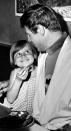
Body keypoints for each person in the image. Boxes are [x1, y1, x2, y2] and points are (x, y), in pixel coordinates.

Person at [19, 3, 71, 131]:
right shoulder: (45, 54)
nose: (28, 40)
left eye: (29, 34)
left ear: (41, 30)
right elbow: (48, 83)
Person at [0, 40, 39, 115]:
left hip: (30, 113)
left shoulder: (40, 70)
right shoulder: (15, 73)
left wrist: (4, 90)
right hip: (12, 111)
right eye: (18, 54)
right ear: (14, 61)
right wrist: (18, 80)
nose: (23, 55)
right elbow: (10, 99)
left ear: (34, 55)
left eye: (27, 51)